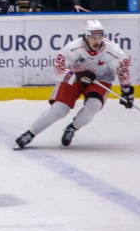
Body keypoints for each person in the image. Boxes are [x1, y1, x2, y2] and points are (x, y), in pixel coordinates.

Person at [14, 20, 133, 149]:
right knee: (59, 110)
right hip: (74, 78)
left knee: (93, 106)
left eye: (99, 37)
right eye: (93, 38)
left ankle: (72, 128)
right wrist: (77, 76)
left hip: (100, 79)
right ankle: (30, 133)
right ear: (86, 37)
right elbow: (59, 69)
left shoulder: (113, 50)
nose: (97, 41)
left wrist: (126, 91)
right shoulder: (73, 48)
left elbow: (123, 69)